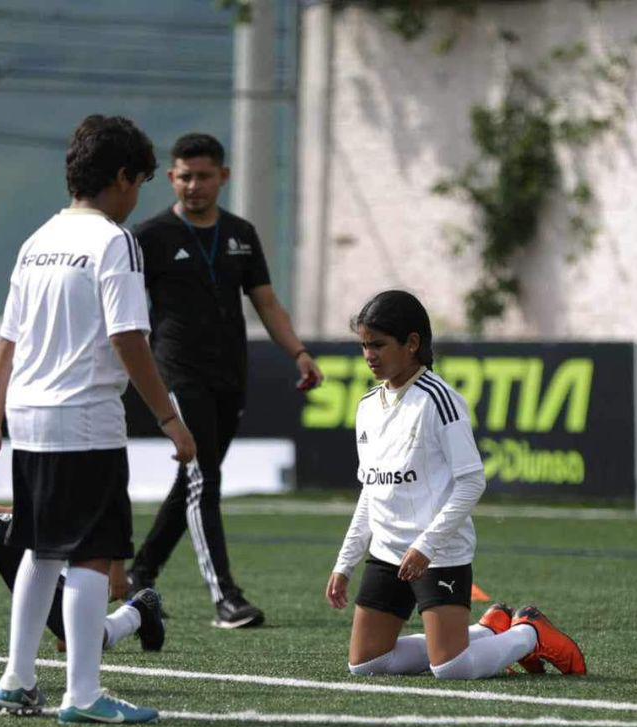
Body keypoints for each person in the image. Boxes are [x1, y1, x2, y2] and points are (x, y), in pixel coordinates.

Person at [0, 115, 195, 723]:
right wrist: (170, 420)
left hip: (30, 417)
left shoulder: (36, 240)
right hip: (85, 417)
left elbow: (7, 340)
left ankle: (16, 679)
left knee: (41, 550)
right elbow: (129, 338)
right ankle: (84, 693)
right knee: (93, 553)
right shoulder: (114, 242)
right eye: (140, 181)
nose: (138, 195)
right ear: (121, 177)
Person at [326, 290, 586, 679]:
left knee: (450, 668)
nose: (369, 355)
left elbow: (471, 481)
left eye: (378, 344)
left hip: (439, 553)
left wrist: (425, 546)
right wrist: (345, 562)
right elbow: (372, 490)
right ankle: (487, 629)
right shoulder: (367, 405)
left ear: (412, 343)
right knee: (366, 664)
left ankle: (529, 633)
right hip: (386, 554)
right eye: (364, 345)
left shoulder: (439, 400)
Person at [128, 133, 324, 629]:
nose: (193, 185)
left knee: (193, 479)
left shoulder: (241, 233)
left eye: (204, 176)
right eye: (184, 176)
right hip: (177, 373)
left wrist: (298, 352)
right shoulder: (148, 236)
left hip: (230, 375)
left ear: (224, 177)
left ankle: (140, 573)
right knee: (204, 480)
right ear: (171, 178)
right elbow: (123, 310)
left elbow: (266, 302)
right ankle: (225, 598)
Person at [0, 502, 164, 653]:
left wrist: (117, 565)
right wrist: (11, 511)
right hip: (37, 532)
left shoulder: (92, 437)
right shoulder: (46, 428)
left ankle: (138, 610)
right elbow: (46, 489)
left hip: (75, 555)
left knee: (82, 641)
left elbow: (110, 505)